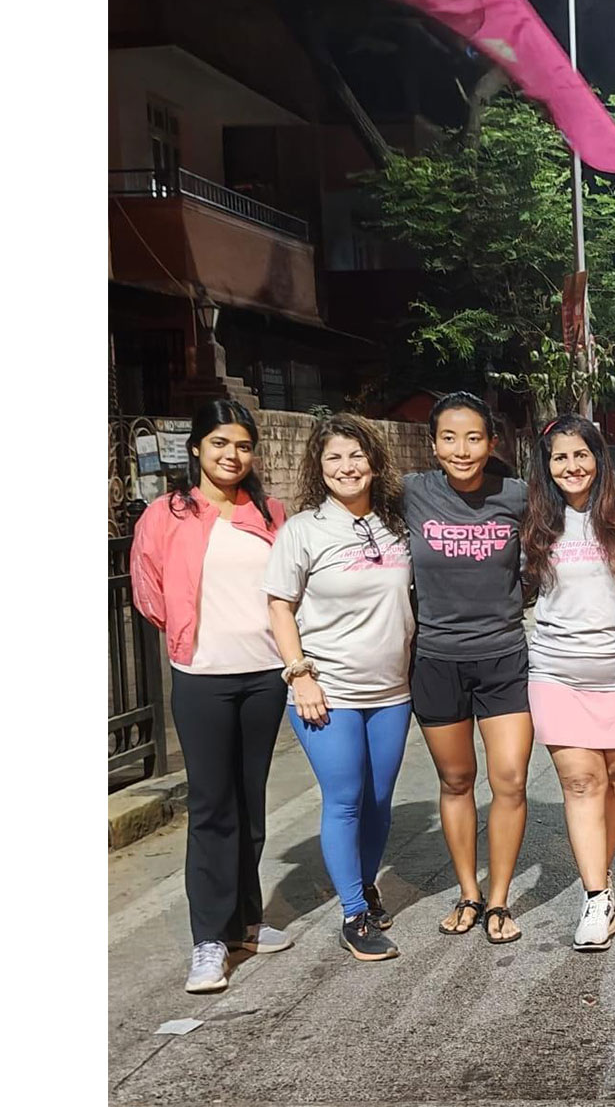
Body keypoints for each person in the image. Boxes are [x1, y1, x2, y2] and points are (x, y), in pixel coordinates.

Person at [130, 400, 293, 993]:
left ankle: (246, 920)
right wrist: (190, 638)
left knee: (251, 803)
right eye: (220, 443)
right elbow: (149, 592)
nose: (232, 455)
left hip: (264, 675)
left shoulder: (271, 514)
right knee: (211, 806)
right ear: (197, 447)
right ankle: (208, 939)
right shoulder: (166, 514)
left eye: (243, 446)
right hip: (201, 675)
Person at [264, 414, 414, 963]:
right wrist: (299, 673)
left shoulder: (395, 526)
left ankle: (366, 887)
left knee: (378, 802)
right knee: (346, 799)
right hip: (328, 690)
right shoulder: (303, 530)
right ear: (318, 468)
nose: (347, 467)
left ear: (373, 462)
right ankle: (353, 914)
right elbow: (279, 605)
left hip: (392, 691)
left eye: (356, 456)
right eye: (334, 458)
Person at [405, 392, 533, 944]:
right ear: (433, 445)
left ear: (492, 443)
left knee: (509, 779)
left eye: (474, 437)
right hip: (436, 659)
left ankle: (500, 899)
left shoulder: (517, 496)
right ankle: (468, 892)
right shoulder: (411, 493)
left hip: (504, 655)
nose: (462, 449)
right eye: (450, 438)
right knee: (456, 779)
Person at [524, 415, 615, 951]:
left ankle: (602, 876)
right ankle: (596, 895)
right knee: (581, 781)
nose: (572, 466)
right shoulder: (534, 521)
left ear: (601, 460)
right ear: (547, 465)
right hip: (556, 668)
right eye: (560, 457)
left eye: (582, 455)